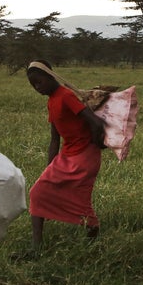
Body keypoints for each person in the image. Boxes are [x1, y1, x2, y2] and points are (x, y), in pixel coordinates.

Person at [26, 60, 106, 249]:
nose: (37, 87)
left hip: (84, 156)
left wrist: (96, 144)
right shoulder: (52, 101)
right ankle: (36, 247)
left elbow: (95, 122)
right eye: (33, 85)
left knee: (79, 197)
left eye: (39, 82)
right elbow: (55, 138)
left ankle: (92, 232)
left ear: (50, 76)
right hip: (68, 154)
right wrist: (49, 169)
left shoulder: (66, 96)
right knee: (38, 192)